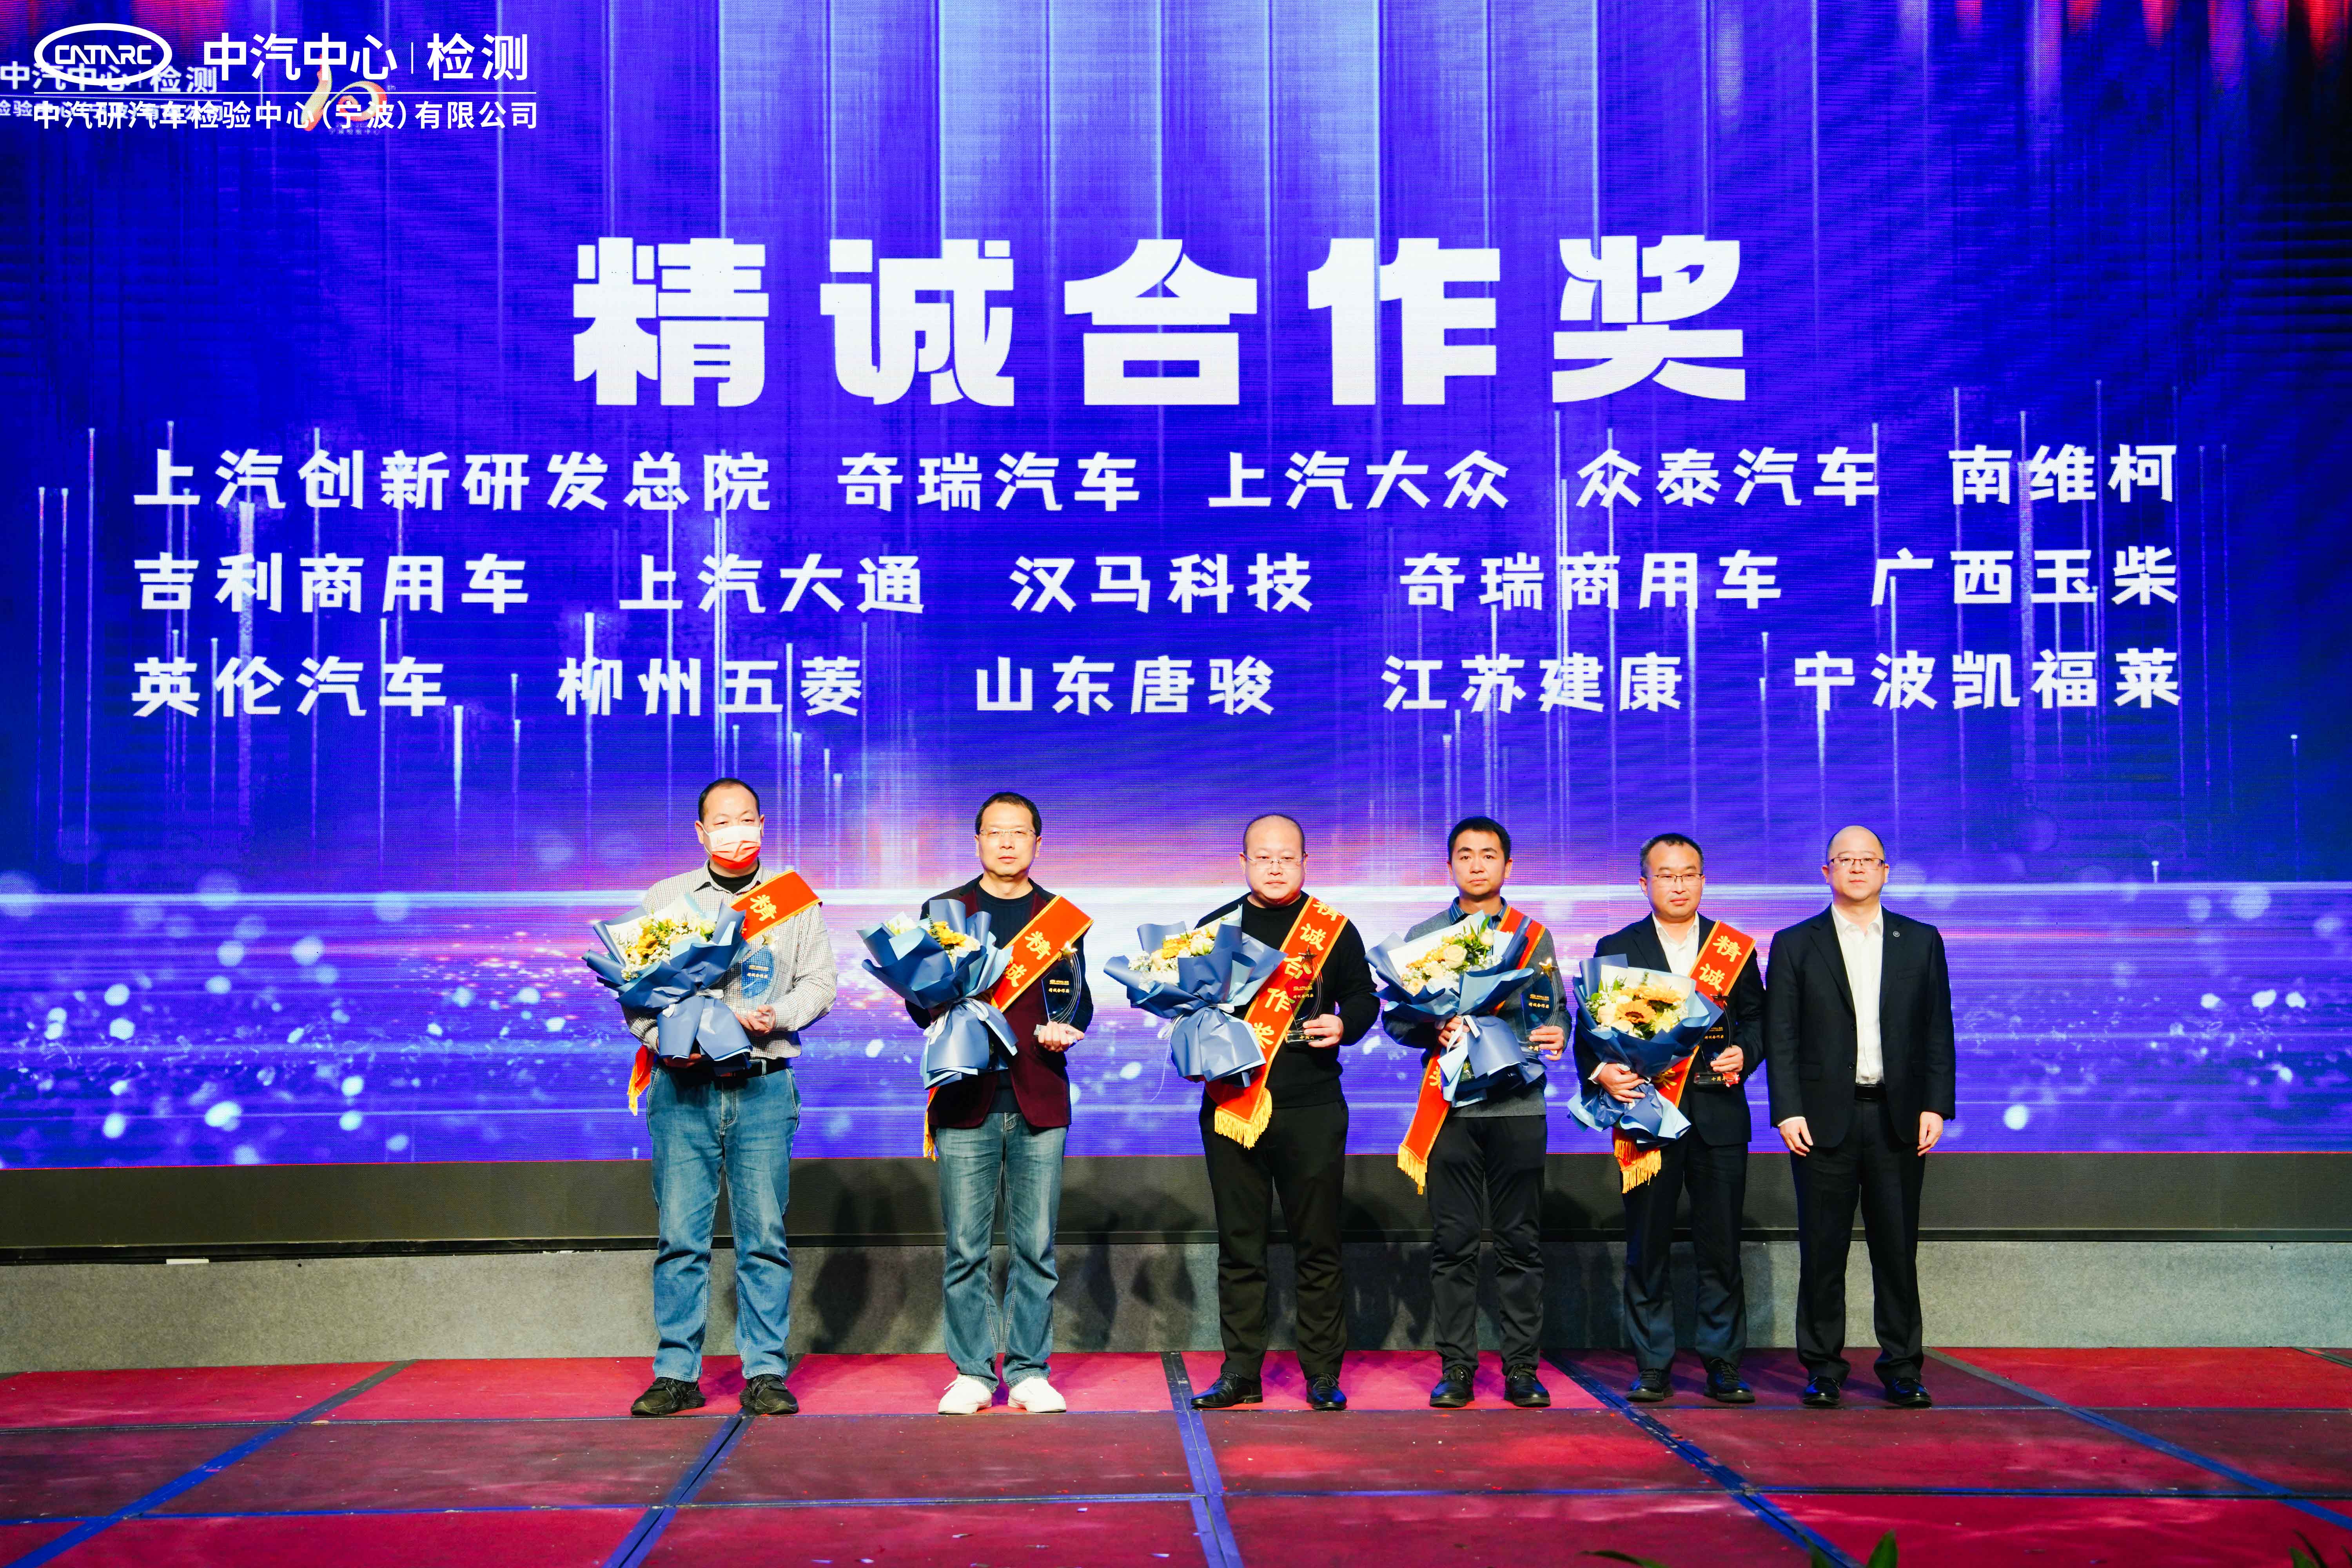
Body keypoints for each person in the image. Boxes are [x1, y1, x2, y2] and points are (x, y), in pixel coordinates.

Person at [624, 778, 836, 1419]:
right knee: (680, 1238)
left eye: (746, 820)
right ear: (701, 832)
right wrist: (666, 1042)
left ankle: (766, 1371)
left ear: (763, 826)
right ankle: (676, 1374)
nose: (735, 831)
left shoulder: (793, 899)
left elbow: (820, 982)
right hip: (682, 1089)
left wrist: (780, 1016)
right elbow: (635, 993)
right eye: (722, 821)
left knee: (763, 1237)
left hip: (764, 1085)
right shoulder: (666, 898)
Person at [1189, 814, 1379, 1414]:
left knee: (1318, 1245)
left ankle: (1322, 1373)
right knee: (1240, 1246)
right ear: (1243, 862)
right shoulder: (1215, 929)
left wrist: (1345, 1024)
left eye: (1287, 858)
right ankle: (1241, 1373)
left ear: (1305, 862)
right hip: (1233, 1104)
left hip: (1312, 1106)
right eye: (1264, 857)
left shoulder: (1332, 928)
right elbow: (1188, 1009)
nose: (1275, 868)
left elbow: (1365, 996)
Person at [1765, 825, 1956, 1410]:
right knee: (1822, 1252)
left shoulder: (1919, 940)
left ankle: (1902, 1367)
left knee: (1896, 1252)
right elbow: (1782, 1035)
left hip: (1898, 1118)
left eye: (1867, 860)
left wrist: (1936, 1103)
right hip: (1823, 1120)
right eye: (1844, 860)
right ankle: (1823, 1368)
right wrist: (1787, 1109)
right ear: (1826, 872)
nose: (1856, 868)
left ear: (1885, 871)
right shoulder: (1795, 943)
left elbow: (1937, 1028)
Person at [916, 792, 1093, 1416]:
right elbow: (918, 1003)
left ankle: (1028, 1371)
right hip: (966, 1096)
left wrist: (1068, 1028)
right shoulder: (945, 911)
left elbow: (1079, 1001)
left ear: (1038, 842)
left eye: (1020, 832)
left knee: (1035, 1247)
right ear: (978, 842)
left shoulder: (1060, 919)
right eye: (996, 832)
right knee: (966, 1246)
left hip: (1039, 1093)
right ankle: (971, 1372)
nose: (1008, 843)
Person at [1385, 816, 1563, 1409]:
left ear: (1507, 866)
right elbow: (1396, 1020)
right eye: (1465, 855)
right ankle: (1457, 1368)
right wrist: (1433, 1027)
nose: (1477, 864)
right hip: (1452, 1110)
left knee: (1520, 1244)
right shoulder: (1426, 936)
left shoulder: (1533, 936)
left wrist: (1557, 1033)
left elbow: (1555, 1009)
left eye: (1489, 855)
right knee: (1453, 1243)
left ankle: (1522, 1368)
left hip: (1519, 1106)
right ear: (1450, 866)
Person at [1583, 833, 1766, 1405]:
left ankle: (1723, 1362)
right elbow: (1592, 1031)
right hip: (1648, 1116)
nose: (1679, 885)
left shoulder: (1732, 948)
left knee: (1721, 1245)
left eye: (1689, 874)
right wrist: (1602, 1072)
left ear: (1703, 880)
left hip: (1718, 1116)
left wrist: (1747, 1052)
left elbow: (1759, 1020)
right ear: (1645, 884)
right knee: (1648, 1245)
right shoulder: (1618, 946)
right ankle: (1653, 1364)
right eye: (1666, 875)